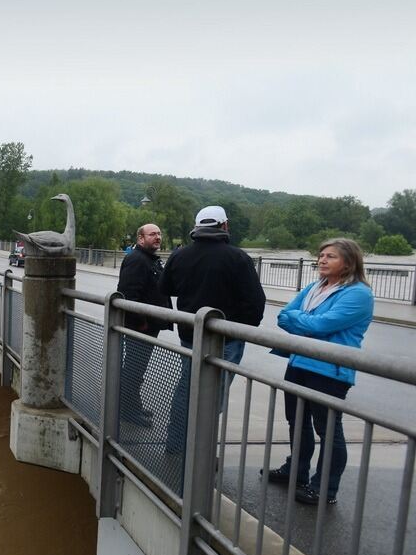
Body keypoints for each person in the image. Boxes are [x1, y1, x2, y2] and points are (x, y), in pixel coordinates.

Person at [266, 238, 374, 505]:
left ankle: (325, 488)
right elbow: (283, 316)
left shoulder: (358, 293)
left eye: (331, 256)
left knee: (328, 429)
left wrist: (303, 323)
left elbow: (323, 324)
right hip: (299, 362)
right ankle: (297, 471)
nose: (322, 260)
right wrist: (307, 324)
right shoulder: (316, 287)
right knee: (297, 421)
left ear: (349, 262)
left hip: (329, 369)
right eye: (321, 255)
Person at [159, 205, 266, 453]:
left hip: (190, 334)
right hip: (225, 339)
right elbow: (255, 302)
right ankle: (201, 452)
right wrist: (241, 329)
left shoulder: (180, 255)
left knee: (186, 388)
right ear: (224, 226)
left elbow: (165, 287)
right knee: (213, 395)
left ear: (197, 227)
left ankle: (176, 444)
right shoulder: (238, 257)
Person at [116, 224, 173, 427]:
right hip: (140, 327)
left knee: (136, 369)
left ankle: (133, 406)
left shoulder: (148, 259)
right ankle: (127, 411)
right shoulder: (137, 260)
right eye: (152, 234)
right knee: (133, 369)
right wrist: (141, 322)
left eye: (159, 233)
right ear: (141, 238)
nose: (157, 237)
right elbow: (128, 295)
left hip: (147, 325)